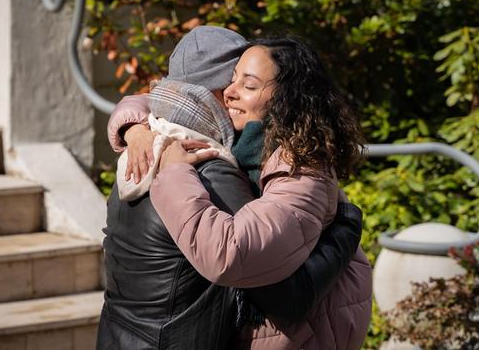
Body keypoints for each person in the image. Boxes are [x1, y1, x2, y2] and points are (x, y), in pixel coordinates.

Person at [99, 26, 366, 350]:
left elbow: (283, 292)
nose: (230, 92)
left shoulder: (296, 166)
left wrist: (345, 230)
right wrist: (134, 126)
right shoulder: (213, 154)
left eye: (247, 84)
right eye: (232, 79)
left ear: (285, 97)